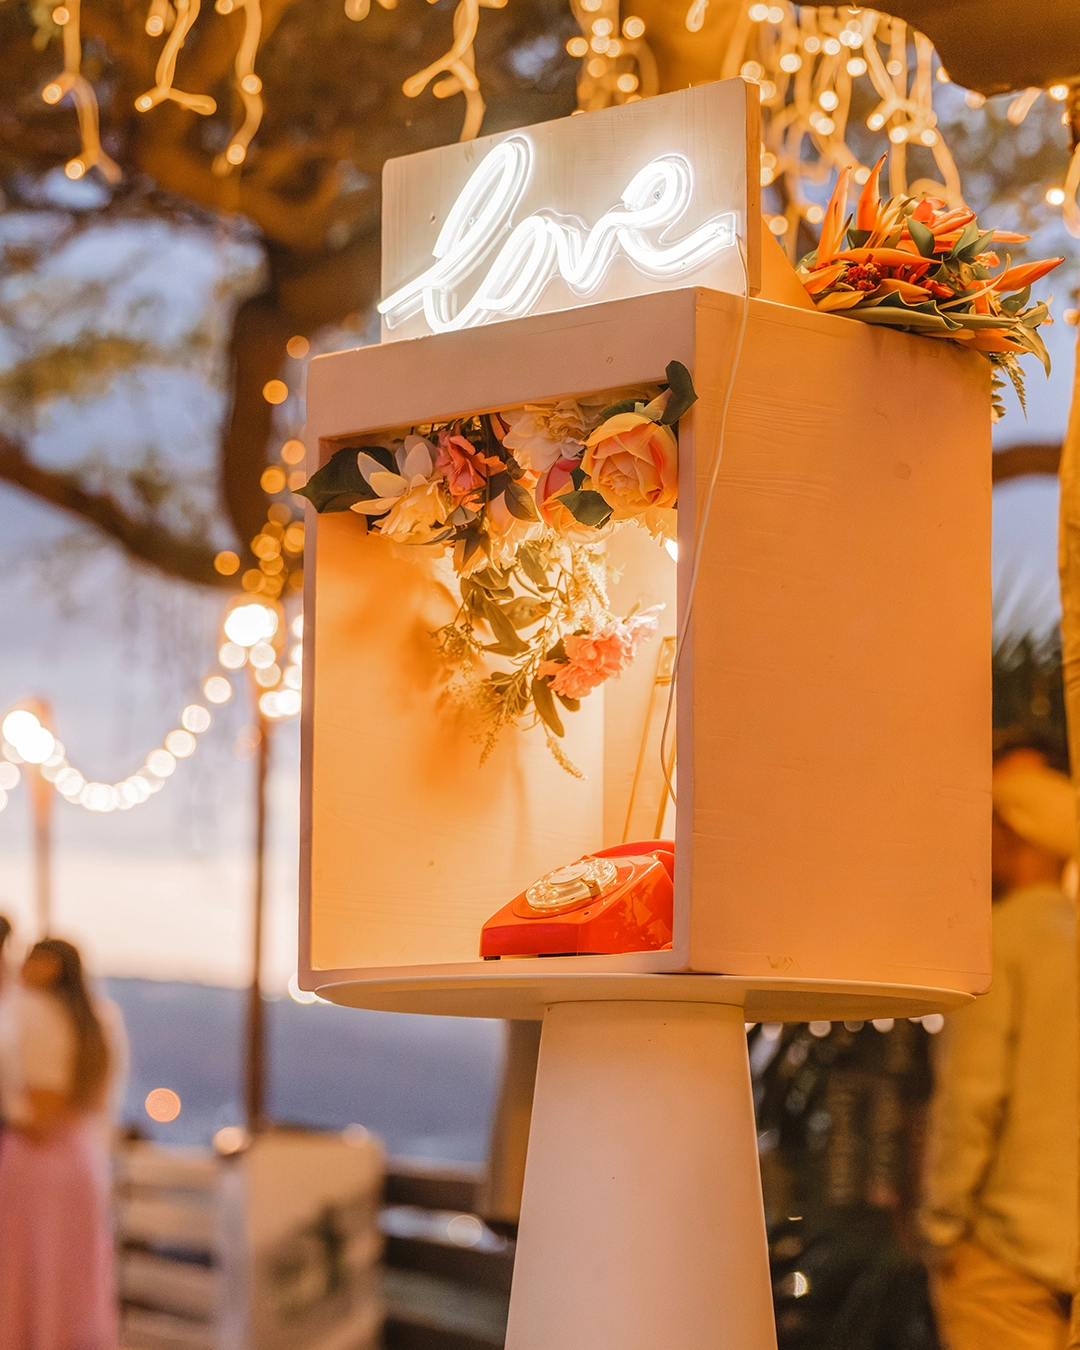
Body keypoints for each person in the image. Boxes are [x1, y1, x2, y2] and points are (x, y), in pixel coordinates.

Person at [921, 760, 1079, 1350]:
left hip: (1006, 1258)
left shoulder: (1001, 940)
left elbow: (971, 1098)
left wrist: (942, 1229)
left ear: (1012, 835)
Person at [0, 938, 121, 1350]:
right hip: (78, 1163)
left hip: (36, 1164)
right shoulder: (95, 1022)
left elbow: (40, 1118)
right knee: (69, 1280)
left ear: (49, 966)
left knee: (31, 1279)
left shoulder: (35, 1015)